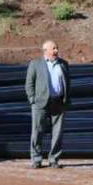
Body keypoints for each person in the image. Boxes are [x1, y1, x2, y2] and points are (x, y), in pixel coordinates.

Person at [25, 40, 71, 169]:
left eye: (57, 48)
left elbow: (68, 83)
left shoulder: (63, 64)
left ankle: (54, 159)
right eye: (53, 48)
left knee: (57, 133)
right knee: (37, 131)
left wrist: (66, 99)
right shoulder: (35, 64)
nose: (56, 51)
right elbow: (29, 84)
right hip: (40, 102)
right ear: (45, 51)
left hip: (58, 102)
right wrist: (32, 99)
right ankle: (36, 159)